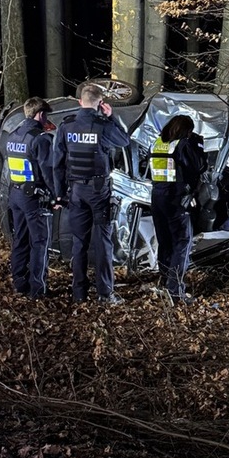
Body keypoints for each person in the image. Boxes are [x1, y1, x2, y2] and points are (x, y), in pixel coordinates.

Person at [52, 83, 130, 304]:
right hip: (98, 191)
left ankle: (79, 292)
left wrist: (59, 194)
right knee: (103, 241)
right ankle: (105, 293)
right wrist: (112, 117)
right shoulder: (102, 126)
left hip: (75, 191)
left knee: (79, 242)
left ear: (80, 102)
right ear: (100, 103)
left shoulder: (66, 126)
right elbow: (124, 140)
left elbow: (57, 164)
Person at [148, 114, 208, 303]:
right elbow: (198, 167)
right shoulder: (182, 145)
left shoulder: (157, 143)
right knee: (182, 242)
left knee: (165, 242)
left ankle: (164, 282)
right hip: (176, 198)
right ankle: (175, 290)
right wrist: (198, 145)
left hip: (157, 197)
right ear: (186, 130)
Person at [2, 96, 56, 300]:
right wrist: (57, 195)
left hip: (15, 193)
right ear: (40, 114)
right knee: (39, 242)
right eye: (46, 115)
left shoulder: (12, 136)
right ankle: (38, 289)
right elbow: (48, 172)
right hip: (34, 197)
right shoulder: (40, 138)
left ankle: (19, 283)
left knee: (20, 239)